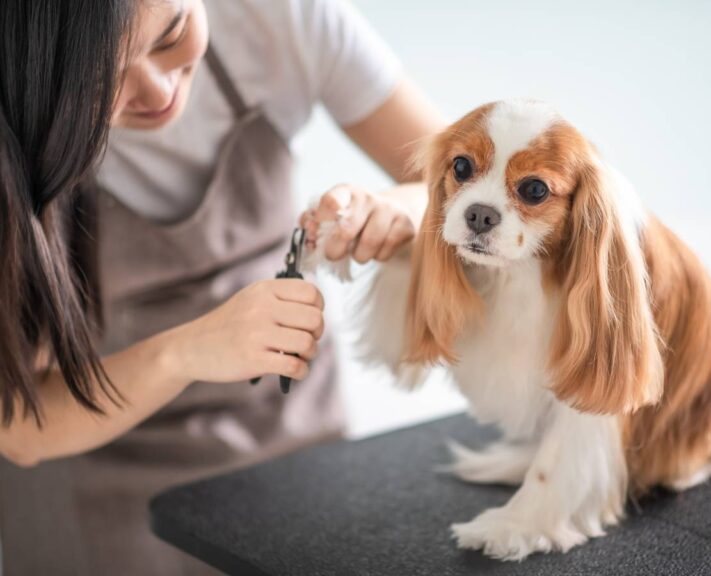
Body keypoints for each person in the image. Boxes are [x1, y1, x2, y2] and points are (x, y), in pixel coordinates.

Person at [0, 0, 443, 573]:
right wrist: (187, 351)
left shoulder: (280, 17)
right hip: (91, 495)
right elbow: (21, 425)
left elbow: (458, 179)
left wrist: (396, 210)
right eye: (97, 81)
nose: (158, 91)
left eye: (172, 33)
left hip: (292, 461)